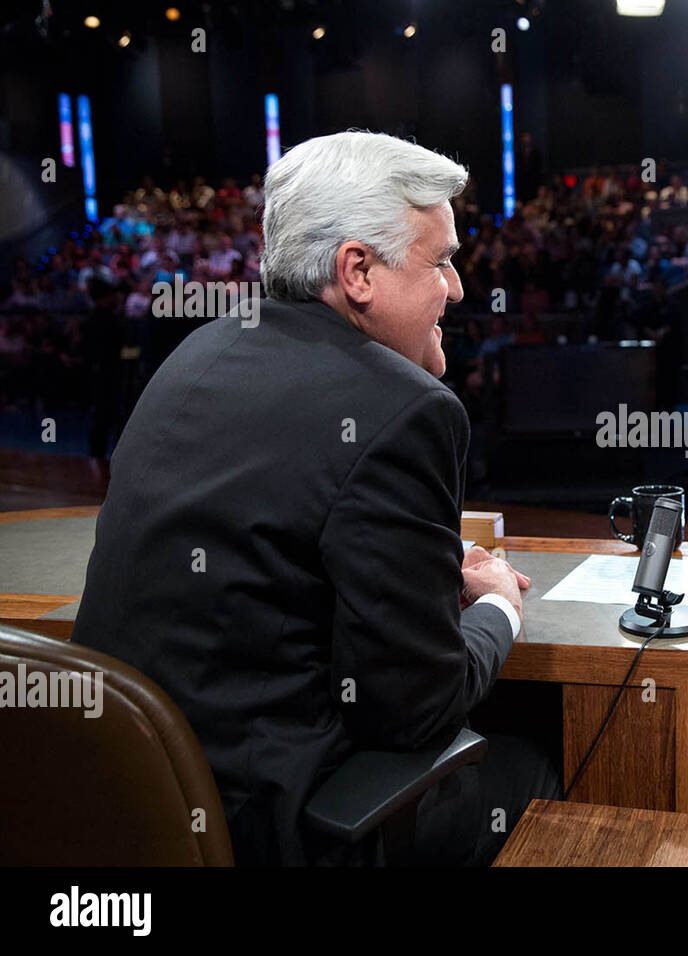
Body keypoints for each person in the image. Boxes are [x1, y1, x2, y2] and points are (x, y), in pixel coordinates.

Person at [72, 131, 559, 866]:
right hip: (282, 829)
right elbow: (417, 709)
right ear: (357, 270)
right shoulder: (409, 409)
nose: (456, 288)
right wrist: (498, 606)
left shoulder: (197, 353)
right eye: (441, 261)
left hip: (126, 808)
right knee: (548, 760)